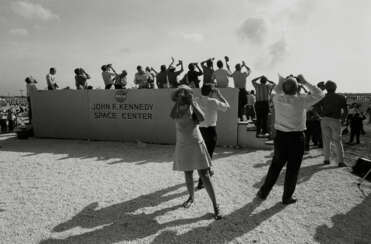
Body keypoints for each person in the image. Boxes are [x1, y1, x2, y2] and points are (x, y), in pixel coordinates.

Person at [257, 74, 323, 204]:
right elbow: (320, 94)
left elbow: (276, 89)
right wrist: (305, 81)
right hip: (297, 138)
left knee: (275, 166)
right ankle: (286, 197)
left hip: (281, 137)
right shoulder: (302, 100)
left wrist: (284, 81)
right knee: (293, 169)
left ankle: (263, 192)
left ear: (284, 88)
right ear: (298, 88)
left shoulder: (277, 98)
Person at [170, 85, 221, 220]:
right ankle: (191, 198)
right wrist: (177, 102)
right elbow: (172, 116)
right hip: (182, 144)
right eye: (180, 93)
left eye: (185, 93)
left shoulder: (193, 105)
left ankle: (216, 206)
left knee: (204, 175)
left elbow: (202, 118)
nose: (182, 95)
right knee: (188, 173)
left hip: (195, 142)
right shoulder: (176, 107)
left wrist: (192, 102)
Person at [196, 84, 230, 189]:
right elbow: (227, 106)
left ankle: (207, 172)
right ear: (211, 92)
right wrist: (219, 95)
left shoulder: (196, 100)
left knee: (202, 156)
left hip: (199, 131)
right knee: (208, 156)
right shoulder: (214, 101)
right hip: (211, 131)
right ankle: (201, 181)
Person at [316, 81, 348, 167]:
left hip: (325, 119)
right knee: (337, 141)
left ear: (326, 88)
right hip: (335, 120)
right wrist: (344, 119)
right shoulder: (341, 97)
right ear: (335, 87)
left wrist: (321, 114)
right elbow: (345, 110)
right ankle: (340, 161)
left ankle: (326, 159)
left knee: (326, 141)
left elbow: (316, 106)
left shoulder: (323, 97)